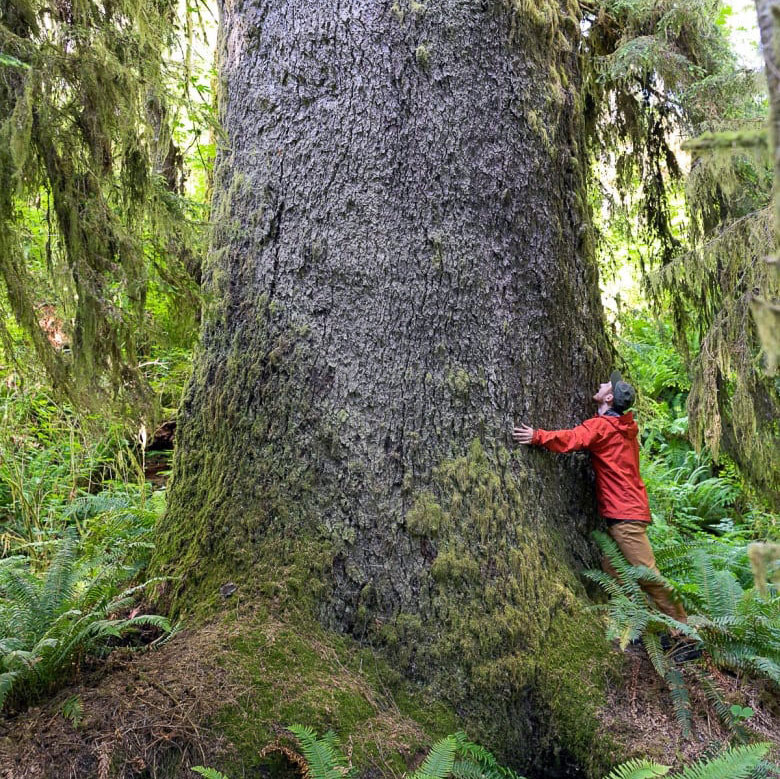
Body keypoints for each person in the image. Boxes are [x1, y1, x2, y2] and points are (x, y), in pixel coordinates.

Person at [513, 371, 698, 656]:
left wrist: (537, 436)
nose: (600, 384)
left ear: (609, 397)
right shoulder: (623, 428)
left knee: (649, 576)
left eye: (605, 385)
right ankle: (636, 631)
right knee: (614, 572)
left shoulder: (604, 427)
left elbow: (572, 439)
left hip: (625, 516)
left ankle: (686, 637)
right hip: (626, 512)